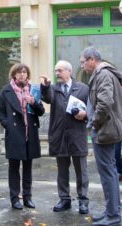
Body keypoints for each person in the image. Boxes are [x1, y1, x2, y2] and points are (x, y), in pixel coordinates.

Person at [80, 47, 122, 226]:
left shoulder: (102, 74)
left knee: (108, 174)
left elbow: (104, 103)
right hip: (106, 129)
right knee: (109, 172)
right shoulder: (103, 74)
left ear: (91, 60)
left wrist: (95, 123)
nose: (82, 66)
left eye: (83, 62)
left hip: (105, 130)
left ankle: (112, 216)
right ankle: (111, 211)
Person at [40, 60, 89, 214]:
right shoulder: (53, 89)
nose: (57, 73)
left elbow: (91, 110)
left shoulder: (82, 88)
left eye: (60, 70)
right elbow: (46, 98)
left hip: (77, 135)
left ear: (69, 71)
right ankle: (64, 199)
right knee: (62, 170)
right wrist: (46, 86)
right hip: (59, 136)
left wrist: (85, 115)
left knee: (81, 170)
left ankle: (83, 201)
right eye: (56, 71)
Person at [0, 63, 45, 210]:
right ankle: (14, 198)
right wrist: (8, 125)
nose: (22, 75)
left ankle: (27, 197)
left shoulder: (33, 89)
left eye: (24, 72)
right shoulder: (6, 91)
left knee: (28, 168)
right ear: (14, 75)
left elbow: (41, 111)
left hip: (30, 133)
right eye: (19, 72)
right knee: (14, 168)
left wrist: (33, 102)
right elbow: (0, 112)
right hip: (15, 134)